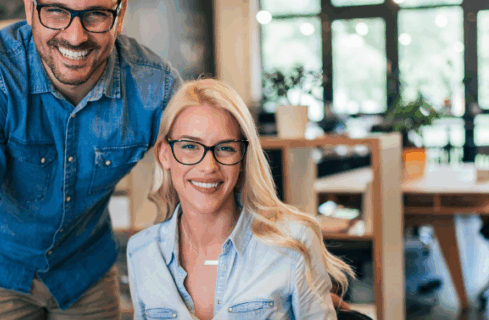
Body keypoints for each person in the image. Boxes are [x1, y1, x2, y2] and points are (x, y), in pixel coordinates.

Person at [0, 0, 181, 318]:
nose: (75, 36)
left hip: (86, 273)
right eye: (56, 11)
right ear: (29, 9)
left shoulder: (153, 86)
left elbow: (203, 173)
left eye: (95, 14)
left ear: (120, 15)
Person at [126, 79, 354, 320]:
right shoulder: (141, 252)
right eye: (190, 146)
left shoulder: (293, 242)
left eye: (225, 148)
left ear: (244, 158)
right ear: (164, 154)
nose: (208, 166)